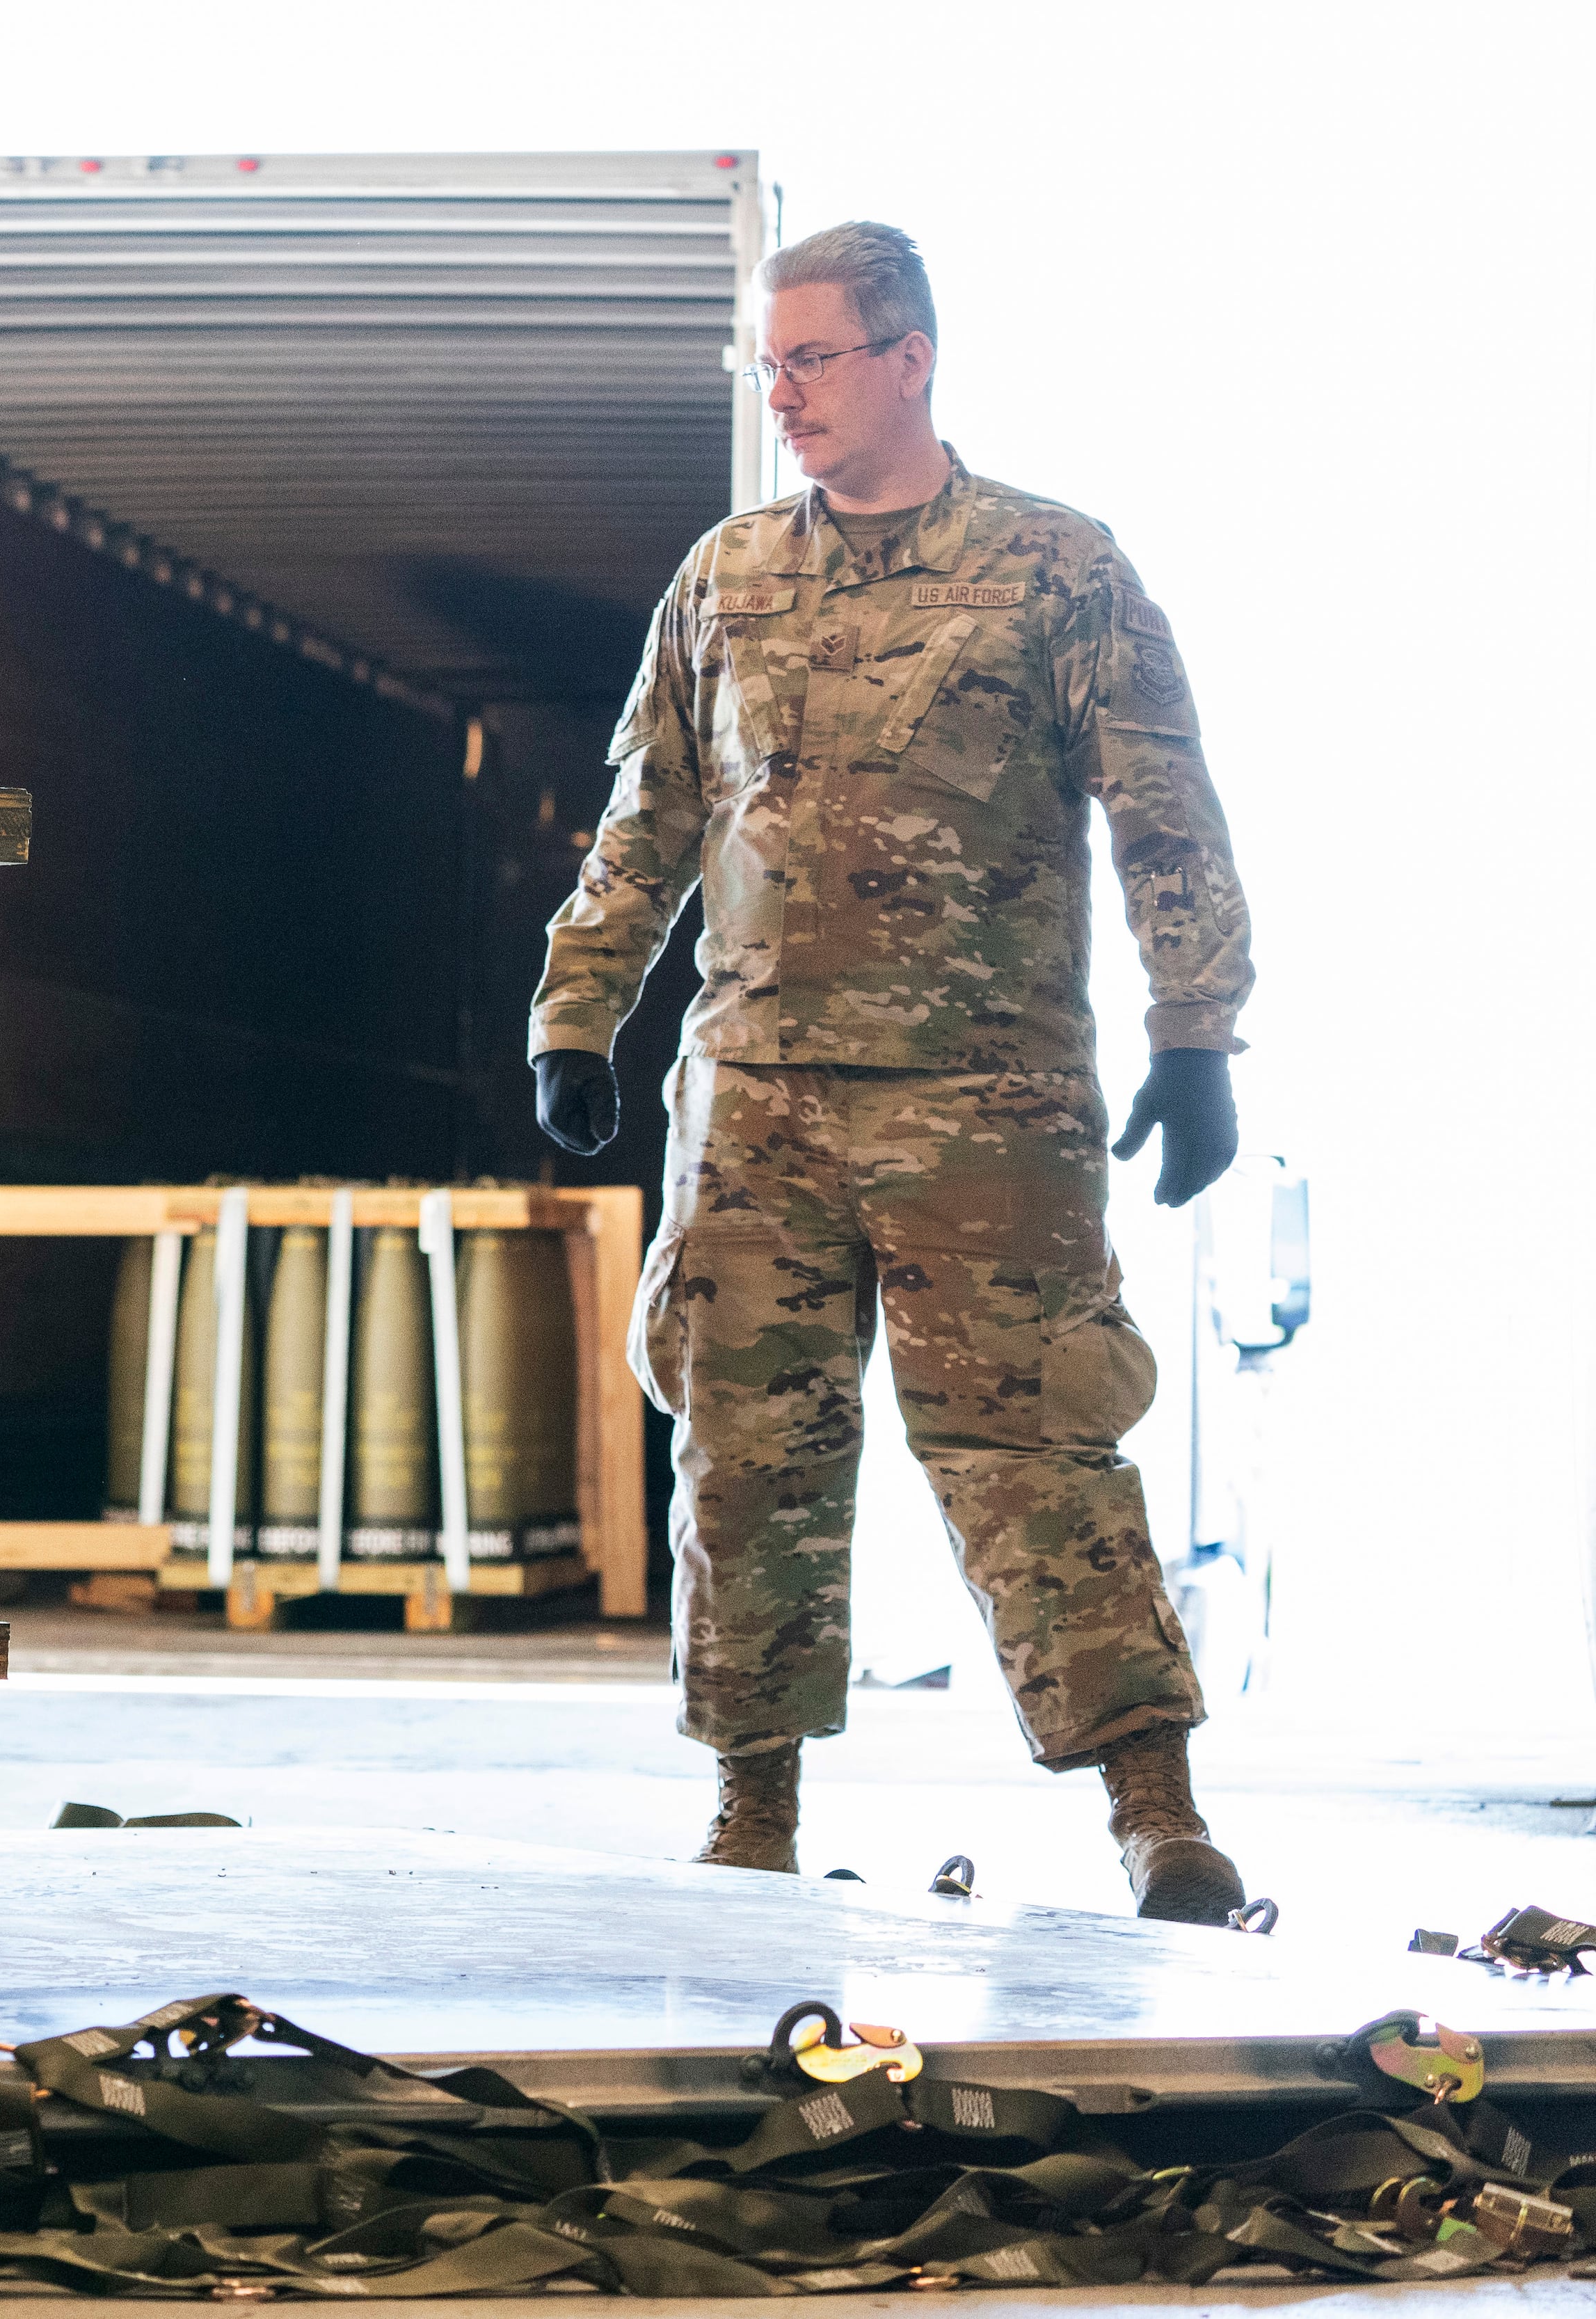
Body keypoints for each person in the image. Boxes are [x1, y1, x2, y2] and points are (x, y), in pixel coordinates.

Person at [525, 223, 1254, 1923]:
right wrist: (577, 1011)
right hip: (755, 1103)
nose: (781, 393)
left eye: (810, 359)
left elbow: (1162, 806)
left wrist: (1196, 1030)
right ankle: (750, 1807)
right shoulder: (722, 580)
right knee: (745, 1456)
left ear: (908, 357)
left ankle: (1156, 1810)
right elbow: (650, 819)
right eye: (765, 366)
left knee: (1037, 1454)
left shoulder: (1053, 569)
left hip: (981, 1112)